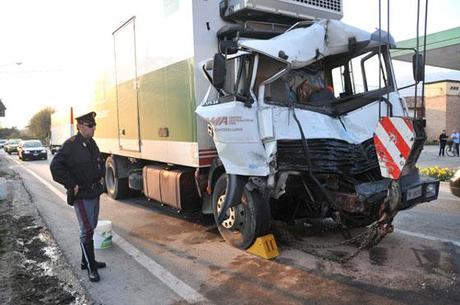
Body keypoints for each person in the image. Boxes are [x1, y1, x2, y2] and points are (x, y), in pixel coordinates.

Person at [50, 111, 106, 282]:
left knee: (92, 225)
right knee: (87, 229)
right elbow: (55, 167)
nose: (94, 128)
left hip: (94, 192)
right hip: (81, 194)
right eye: (90, 125)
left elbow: (99, 161)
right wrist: (71, 184)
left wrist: (102, 175)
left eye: (94, 125)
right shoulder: (70, 145)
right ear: (80, 126)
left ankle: (86, 261)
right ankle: (91, 268)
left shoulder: (91, 143)